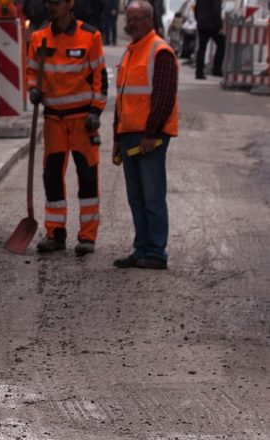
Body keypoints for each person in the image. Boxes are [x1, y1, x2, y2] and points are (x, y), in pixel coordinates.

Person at [26, 0, 108, 256]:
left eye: (57, 2)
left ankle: (87, 237)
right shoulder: (39, 38)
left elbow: (100, 78)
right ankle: (55, 233)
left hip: (83, 119)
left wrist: (96, 111)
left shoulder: (90, 36)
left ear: (69, 5)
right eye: (49, 2)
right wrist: (33, 90)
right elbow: (32, 72)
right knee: (52, 176)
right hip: (54, 119)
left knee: (87, 177)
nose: (52, 7)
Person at [112, 0, 178, 270]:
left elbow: (163, 97)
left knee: (152, 196)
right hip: (129, 134)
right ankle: (141, 249)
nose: (130, 24)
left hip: (149, 136)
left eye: (136, 19)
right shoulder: (130, 52)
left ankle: (156, 253)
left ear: (149, 20)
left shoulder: (159, 50)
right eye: (128, 19)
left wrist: (151, 134)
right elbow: (122, 98)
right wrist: (117, 136)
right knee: (136, 197)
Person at [194, 0, 226, 79]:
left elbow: (196, 8)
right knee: (221, 44)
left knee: (201, 48)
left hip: (201, 24)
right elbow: (216, 10)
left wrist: (198, 19)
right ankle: (216, 69)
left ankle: (199, 72)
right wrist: (220, 26)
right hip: (213, 25)